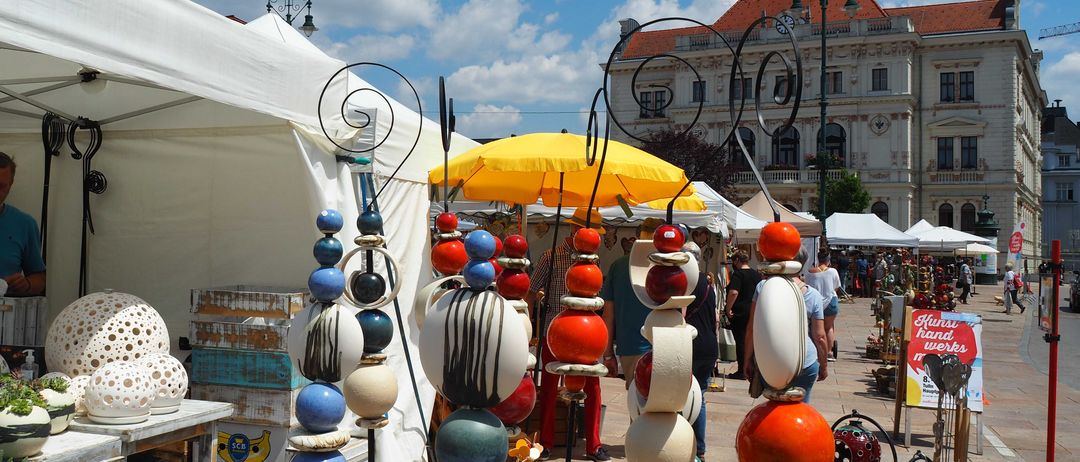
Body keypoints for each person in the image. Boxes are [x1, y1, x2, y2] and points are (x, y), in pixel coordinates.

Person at [527, 206, 609, 461]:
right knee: (550, 387)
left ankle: (593, 445)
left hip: (586, 334)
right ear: (575, 230)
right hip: (556, 331)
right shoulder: (551, 256)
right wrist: (528, 324)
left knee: (592, 385)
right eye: (590, 231)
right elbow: (532, 290)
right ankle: (546, 441)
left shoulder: (593, 261)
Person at [743, 249, 829, 402]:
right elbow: (820, 336)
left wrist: (747, 359)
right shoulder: (813, 295)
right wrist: (823, 365)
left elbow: (752, 328)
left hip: (771, 358)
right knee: (801, 408)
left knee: (774, 406)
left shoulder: (763, 287)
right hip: (805, 361)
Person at [601, 218, 662, 389]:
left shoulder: (618, 266)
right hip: (665, 344)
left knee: (637, 399)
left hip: (630, 346)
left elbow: (608, 315)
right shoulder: (668, 265)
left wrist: (607, 355)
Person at [680, 242, 717, 462]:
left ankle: (684, 445)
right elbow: (714, 319)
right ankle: (700, 449)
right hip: (709, 345)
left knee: (682, 396)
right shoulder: (709, 284)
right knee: (699, 396)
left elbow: (682, 315)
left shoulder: (685, 282)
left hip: (691, 345)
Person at [0, 152, 45, 297]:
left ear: (11, 184)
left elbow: (39, 278)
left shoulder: (24, 224)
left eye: (1, 186)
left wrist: (27, 284)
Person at [724, 249, 760, 380]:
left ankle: (741, 370)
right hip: (754, 310)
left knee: (741, 341)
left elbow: (734, 292)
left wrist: (728, 308)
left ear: (737, 260)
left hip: (740, 313)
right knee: (752, 341)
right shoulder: (756, 275)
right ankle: (752, 367)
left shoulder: (738, 275)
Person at [806, 251, 841, 361]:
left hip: (815, 303)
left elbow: (807, 288)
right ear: (828, 260)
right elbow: (836, 287)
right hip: (830, 302)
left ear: (818, 259)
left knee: (814, 328)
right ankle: (829, 352)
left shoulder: (809, 272)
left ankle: (816, 351)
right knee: (828, 327)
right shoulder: (833, 271)